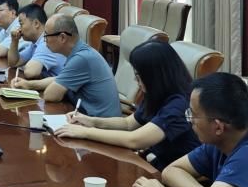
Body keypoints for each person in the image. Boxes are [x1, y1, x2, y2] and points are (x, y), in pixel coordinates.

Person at [53, 40, 200, 168]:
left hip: (175, 171)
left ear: (155, 77)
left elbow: (135, 140)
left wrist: (85, 132)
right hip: (155, 162)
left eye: (139, 76)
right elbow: (128, 124)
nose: (136, 81)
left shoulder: (179, 104)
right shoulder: (158, 93)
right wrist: (90, 121)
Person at [10, 14, 120, 116]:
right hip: (86, 117)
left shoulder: (81, 59)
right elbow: (60, 79)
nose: (44, 40)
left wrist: (31, 86)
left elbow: (51, 95)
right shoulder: (78, 53)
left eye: (46, 35)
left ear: (62, 37)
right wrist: (28, 85)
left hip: (99, 124)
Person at [5, 4, 66, 78]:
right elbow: (14, 63)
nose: (19, 29)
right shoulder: (36, 43)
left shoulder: (47, 43)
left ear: (36, 23)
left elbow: (30, 72)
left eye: (21, 24)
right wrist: (14, 41)